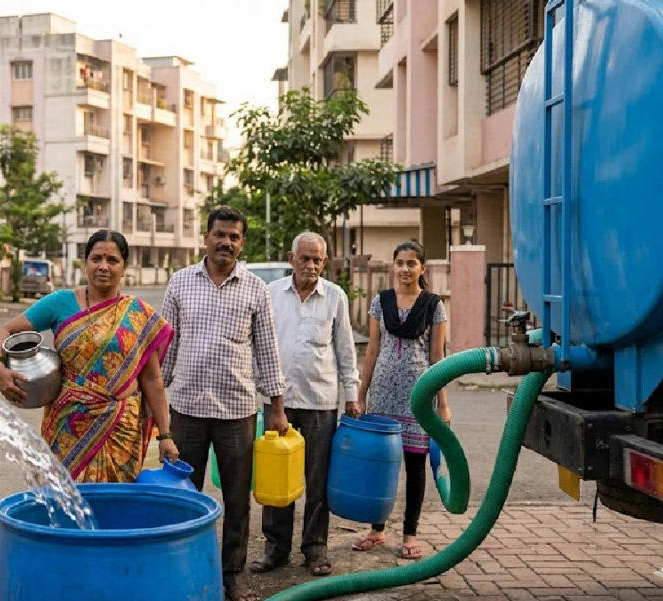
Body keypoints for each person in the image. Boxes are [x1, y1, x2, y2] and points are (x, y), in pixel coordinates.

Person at [161, 206, 288, 601]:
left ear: (242, 243)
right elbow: (165, 350)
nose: (226, 242)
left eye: (234, 237)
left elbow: (267, 352)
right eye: (220, 234)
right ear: (206, 236)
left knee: (236, 501)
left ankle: (232, 576)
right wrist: (153, 407)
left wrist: (277, 408)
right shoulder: (180, 282)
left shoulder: (256, 289)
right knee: (183, 496)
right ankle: (182, 572)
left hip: (237, 413)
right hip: (186, 410)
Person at [0, 230, 180, 483]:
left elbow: (152, 380)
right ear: (85, 262)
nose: (103, 266)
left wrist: (165, 435)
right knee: (66, 498)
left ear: (124, 267)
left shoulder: (137, 314)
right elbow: (4, 331)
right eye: (96, 258)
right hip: (68, 426)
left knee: (117, 502)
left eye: (112, 260)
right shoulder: (60, 303)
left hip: (121, 431)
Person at [250, 232, 360, 578]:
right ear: (291, 258)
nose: (311, 265)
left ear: (324, 263)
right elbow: (257, 344)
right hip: (277, 402)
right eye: (305, 258)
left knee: (317, 480)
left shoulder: (335, 297)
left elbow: (345, 349)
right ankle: (276, 549)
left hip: (319, 401)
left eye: (317, 260)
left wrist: (352, 394)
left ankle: (315, 549)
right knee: (276, 478)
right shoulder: (271, 294)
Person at [350, 240, 449, 560]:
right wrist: (361, 395)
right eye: (400, 263)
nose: (405, 269)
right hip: (382, 395)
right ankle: (377, 530)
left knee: (415, 466)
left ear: (422, 268)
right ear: (394, 266)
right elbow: (372, 351)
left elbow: (438, 358)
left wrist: (443, 403)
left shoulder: (434, 305)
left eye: (411, 263)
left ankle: (410, 533)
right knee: (382, 464)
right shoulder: (381, 302)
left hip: (418, 396)